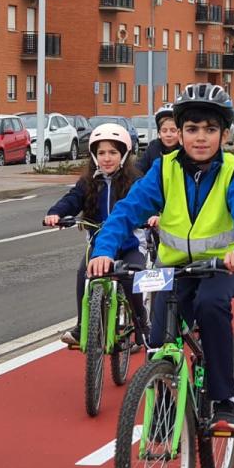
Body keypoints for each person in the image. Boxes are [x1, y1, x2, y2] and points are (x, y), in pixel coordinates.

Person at [87, 83, 234, 433]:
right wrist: (103, 251)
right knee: (160, 336)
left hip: (221, 266)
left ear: (225, 135)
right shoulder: (164, 170)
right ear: (177, 133)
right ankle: (164, 404)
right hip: (173, 267)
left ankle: (225, 400)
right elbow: (127, 211)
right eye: (192, 129)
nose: (200, 138)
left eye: (210, 130)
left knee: (211, 307)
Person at [44, 124, 149, 348]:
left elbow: (148, 204)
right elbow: (71, 200)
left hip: (130, 244)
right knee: (84, 274)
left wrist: (153, 217)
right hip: (98, 244)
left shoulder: (136, 182)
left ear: (124, 154)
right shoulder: (88, 183)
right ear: (93, 155)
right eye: (101, 153)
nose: (107, 158)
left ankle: (142, 324)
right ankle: (84, 326)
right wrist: (56, 213)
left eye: (113, 152)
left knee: (132, 278)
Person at [139, 103, 180, 174]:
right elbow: (138, 169)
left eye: (173, 130)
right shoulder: (153, 147)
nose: (168, 135)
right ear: (159, 133)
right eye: (164, 131)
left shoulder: (186, 150)